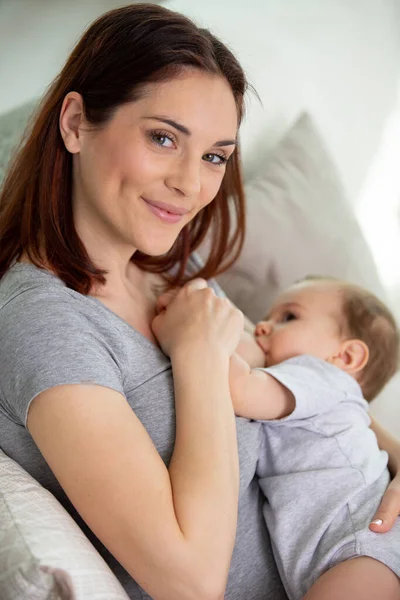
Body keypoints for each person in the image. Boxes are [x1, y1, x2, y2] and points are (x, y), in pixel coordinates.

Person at [0, 4, 399, 599]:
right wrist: (198, 359)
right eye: (163, 138)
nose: (192, 184)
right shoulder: (45, 324)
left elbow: (300, 389)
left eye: (215, 155)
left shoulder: (173, 270)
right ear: (77, 123)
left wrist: (395, 458)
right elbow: (190, 581)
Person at [229, 275, 400, 599]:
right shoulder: (319, 387)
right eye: (268, 317)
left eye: (288, 317)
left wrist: (201, 331)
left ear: (345, 357)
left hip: (363, 545)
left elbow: (237, 388)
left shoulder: (318, 375)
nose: (263, 326)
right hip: (346, 551)